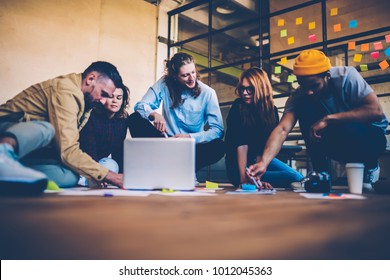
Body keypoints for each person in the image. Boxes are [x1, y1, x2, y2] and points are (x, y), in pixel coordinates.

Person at [247, 49, 388, 191]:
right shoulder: (300, 96)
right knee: (304, 106)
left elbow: (375, 111)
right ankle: (321, 175)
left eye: (314, 86)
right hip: (337, 137)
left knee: (348, 129)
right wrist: (264, 162)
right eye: (303, 86)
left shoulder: (346, 76)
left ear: (327, 76)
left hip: (371, 138)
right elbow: (282, 129)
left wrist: (329, 119)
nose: (309, 91)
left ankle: (370, 167)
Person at [0, 61, 126, 190]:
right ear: (90, 79)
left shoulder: (87, 104)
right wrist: (112, 176)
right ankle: (2, 156)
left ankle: (15, 176)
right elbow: (68, 150)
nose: (103, 101)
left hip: (27, 152)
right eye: (103, 94)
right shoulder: (66, 89)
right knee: (47, 129)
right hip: (4, 129)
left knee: (69, 175)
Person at [128, 52, 225, 173]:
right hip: (165, 145)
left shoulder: (208, 93)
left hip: (192, 148)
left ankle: (184, 170)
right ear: (175, 76)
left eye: (193, 72)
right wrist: (154, 114)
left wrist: (189, 137)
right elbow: (141, 106)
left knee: (219, 146)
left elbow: (217, 131)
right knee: (134, 119)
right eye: (185, 75)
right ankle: (164, 164)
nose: (191, 78)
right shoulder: (164, 83)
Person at [225, 67, 304, 189]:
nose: (245, 93)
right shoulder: (238, 106)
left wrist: (258, 180)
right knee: (292, 178)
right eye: (242, 88)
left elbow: (263, 147)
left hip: (260, 160)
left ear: (261, 88)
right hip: (238, 165)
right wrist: (242, 179)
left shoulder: (272, 111)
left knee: (298, 178)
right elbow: (241, 145)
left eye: (250, 89)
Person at [78, 84, 130, 186]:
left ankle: (92, 181)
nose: (115, 101)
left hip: (102, 162)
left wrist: (122, 176)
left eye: (119, 98)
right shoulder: (91, 116)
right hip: (84, 161)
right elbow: (89, 149)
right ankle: (87, 180)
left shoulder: (123, 119)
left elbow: (118, 151)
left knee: (111, 164)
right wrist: (97, 173)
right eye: (111, 97)